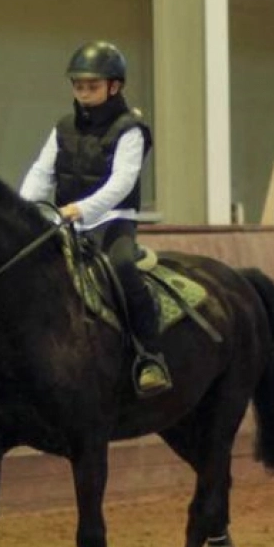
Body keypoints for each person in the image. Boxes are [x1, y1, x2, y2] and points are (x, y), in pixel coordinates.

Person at [19, 40, 170, 397]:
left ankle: (150, 356)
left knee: (121, 267)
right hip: (64, 220)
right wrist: (24, 206)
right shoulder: (64, 126)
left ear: (114, 86)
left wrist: (83, 208)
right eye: (79, 86)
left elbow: (122, 182)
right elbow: (42, 171)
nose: (84, 93)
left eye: (92, 86)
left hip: (112, 220)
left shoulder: (130, 129)